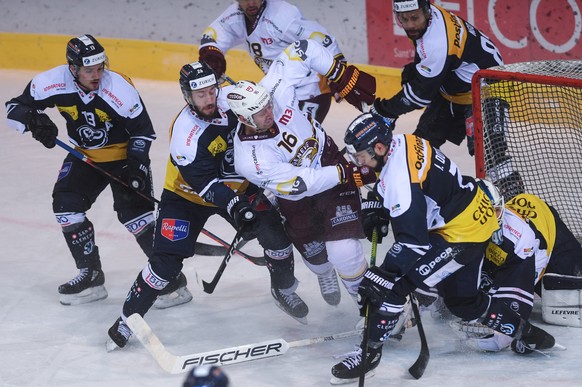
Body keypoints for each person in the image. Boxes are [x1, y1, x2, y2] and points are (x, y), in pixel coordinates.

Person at [330, 112, 555, 383]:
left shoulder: (402, 179)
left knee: (392, 288)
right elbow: (397, 189)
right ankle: (525, 332)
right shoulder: (404, 141)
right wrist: (376, 205)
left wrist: (384, 275)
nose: (359, 162)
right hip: (473, 216)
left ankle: (368, 355)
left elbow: (413, 243)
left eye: (361, 156)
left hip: (459, 234)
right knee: (463, 302)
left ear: (379, 147)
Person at [106, 61, 309, 350]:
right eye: (200, 94)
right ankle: (127, 319)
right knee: (164, 263)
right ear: (187, 95)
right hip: (186, 198)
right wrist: (237, 206)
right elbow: (208, 187)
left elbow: (265, 108)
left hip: (239, 187)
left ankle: (283, 289)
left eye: (212, 90)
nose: (209, 98)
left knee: (277, 239)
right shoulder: (186, 136)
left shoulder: (231, 100)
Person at [4, 34, 188, 306]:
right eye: (89, 70)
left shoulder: (119, 89)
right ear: (73, 68)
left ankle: (173, 283)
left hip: (124, 157)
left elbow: (143, 132)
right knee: (66, 207)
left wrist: (137, 167)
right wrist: (34, 119)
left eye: (100, 67)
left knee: (135, 217)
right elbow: (13, 107)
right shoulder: (52, 82)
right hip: (84, 155)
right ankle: (91, 275)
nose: (97, 74)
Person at [226, 38, 377, 309]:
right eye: (260, 113)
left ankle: (369, 305)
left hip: (327, 161)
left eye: (268, 105)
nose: (269, 112)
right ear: (243, 119)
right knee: (317, 259)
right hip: (300, 195)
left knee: (343, 251)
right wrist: (346, 173)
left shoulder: (273, 89)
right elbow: (301, 184)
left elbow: (302, 48)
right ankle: (324, 274)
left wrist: (336, 72)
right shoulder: (250, 160)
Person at [451, 189, 582, 353]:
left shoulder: (518, 238)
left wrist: (513, 330)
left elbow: (512, 314)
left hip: (548, 234)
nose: (489, 220)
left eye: (495, 211)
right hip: (511, 251)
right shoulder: (456, 227)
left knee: (572, 291)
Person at [370, 0, 503, 156]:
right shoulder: (431, 16)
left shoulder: (437, 43)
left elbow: (420, 96)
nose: (410, 25)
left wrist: (385, 111)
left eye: (414, 18)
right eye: (404, 19)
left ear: (427, 12)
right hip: (459, 85)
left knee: (493, 156)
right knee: (421, 147)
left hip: (488, 91)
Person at [199, 0, 346, 124]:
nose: (251, 3)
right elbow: (214, 33)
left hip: (312, 92)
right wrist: (212, 54)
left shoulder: (282, 17)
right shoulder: (235, 15)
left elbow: (322, 38)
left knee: (301, 142)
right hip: (278, 92)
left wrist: (340, 76)